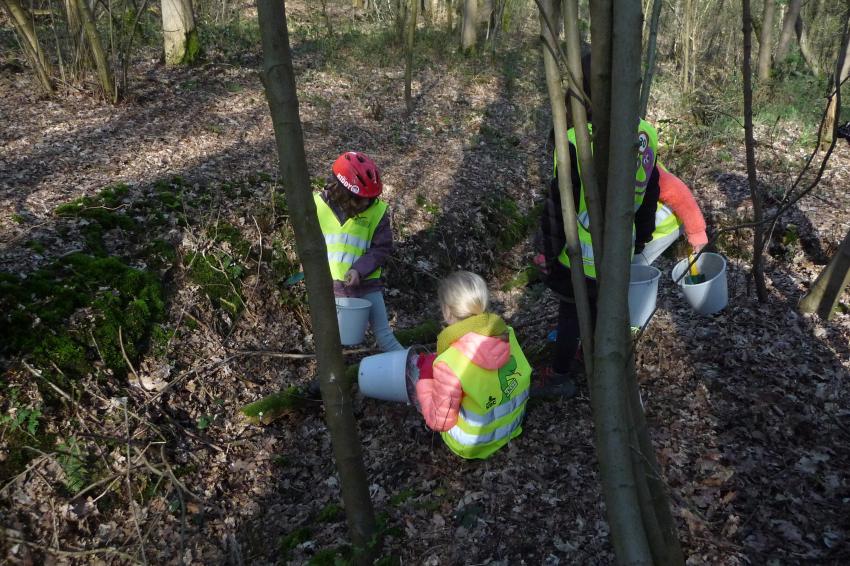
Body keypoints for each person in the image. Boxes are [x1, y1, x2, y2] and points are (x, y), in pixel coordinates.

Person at [533, 54, 662, 397]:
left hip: (579, 255)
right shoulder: (646, 134)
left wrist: (546, 251)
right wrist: (640, 240)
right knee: (605, 314)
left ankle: (560, 376)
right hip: (619, 253)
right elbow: (650, 193)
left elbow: (558, 203)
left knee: (572, 315)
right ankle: (601, 367)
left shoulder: (574, 140)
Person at [414, 271, 531, 459]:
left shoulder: (449, 362)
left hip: (472, 443)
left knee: (424, 382)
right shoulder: (506, 334)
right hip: (512, 425)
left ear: (446, 311)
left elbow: (439, 421)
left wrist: (426, 379)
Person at [315, 151, 403, 352]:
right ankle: (330, 380)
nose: (366, 203)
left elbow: (382, 248)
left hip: (367, 284)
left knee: (384, 335)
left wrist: (359, 270)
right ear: (342, 192)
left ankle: (413, 373)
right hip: (331, 289)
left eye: (370, 199)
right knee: (332, 339)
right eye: (361, 199)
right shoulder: (317, 206)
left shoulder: (377, 211)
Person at [631, 164, 708, 266]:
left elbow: (677, 192)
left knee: (633, 266)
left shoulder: (640, 162)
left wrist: (697, 232)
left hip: (666, 225)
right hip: (642, 226)